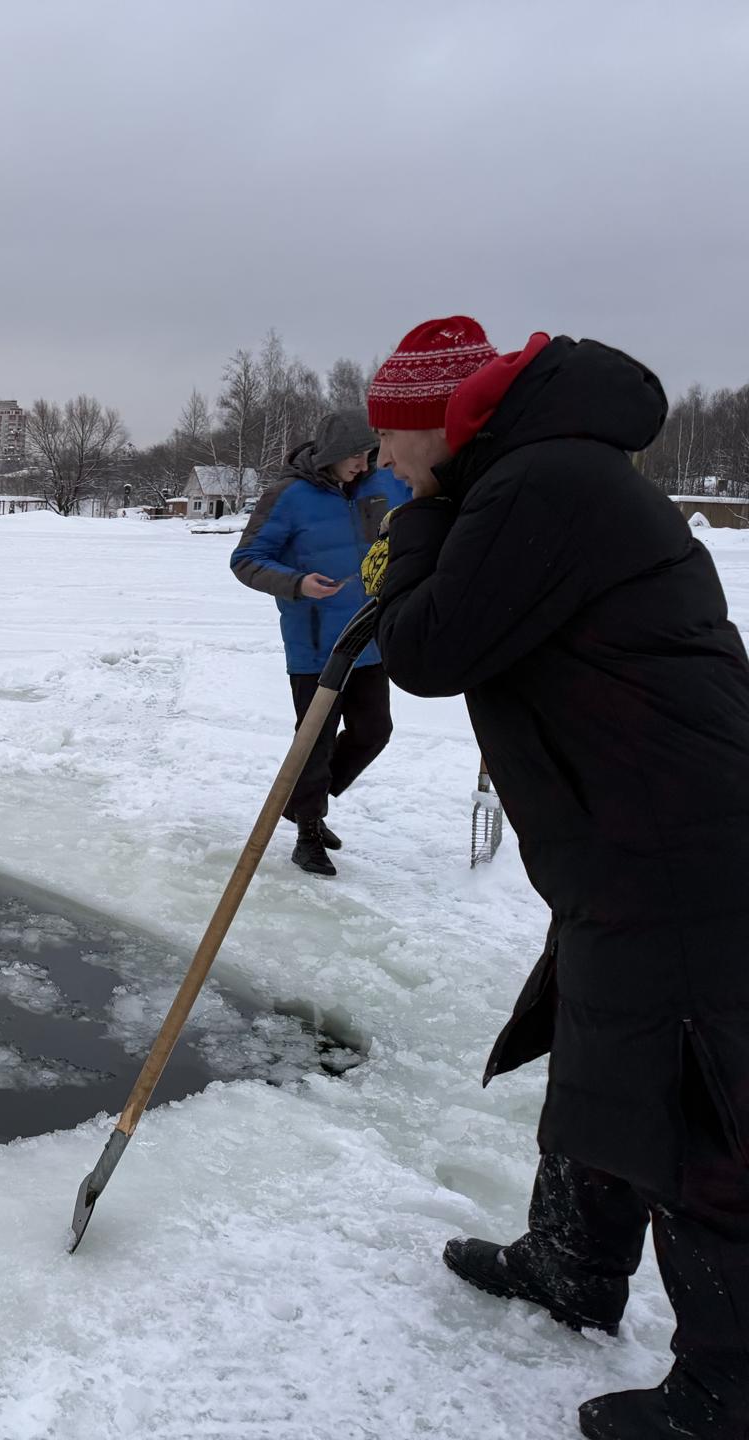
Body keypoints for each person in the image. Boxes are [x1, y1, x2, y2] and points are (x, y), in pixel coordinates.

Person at [366, 315, 749, 1439]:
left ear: (441, 429)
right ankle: (572, 1263)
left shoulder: (541, 486)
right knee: (601, 1038)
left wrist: (420, 518)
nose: (383, 463)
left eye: (394, 442)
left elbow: (431, 651)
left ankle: (729, 1389)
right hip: (627, 837)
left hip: (678, 844)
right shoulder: (543, 477)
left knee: (695, 1101)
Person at [230, 409, 412, 875]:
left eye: (369, 454)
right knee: (314, 741)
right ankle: (307, 831)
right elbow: (246, 559)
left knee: (375, 732)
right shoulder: (288, 496)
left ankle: (303, 802)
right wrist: (297, 583)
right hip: (315, 644)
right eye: (355, 456)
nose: (364, 464)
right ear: (330, 455)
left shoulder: (385, 484)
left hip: (369, 635)